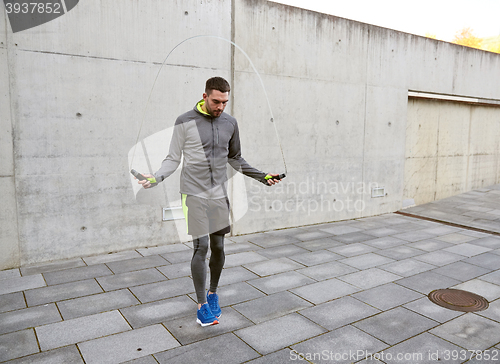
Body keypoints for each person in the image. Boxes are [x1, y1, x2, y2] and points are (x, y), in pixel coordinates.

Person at [137, 76, 281, 326]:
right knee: (200, 247)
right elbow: (173, 158)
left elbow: (235, 158)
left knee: (219, 247)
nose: (221, 107)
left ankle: (213, 293)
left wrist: (262, 176)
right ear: (205, 96)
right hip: (192, 193)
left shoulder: (230, 123)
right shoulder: (185, 121)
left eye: (225, 102)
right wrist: (156, 177)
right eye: (216, 101)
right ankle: (202, 304)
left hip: (218, 194)